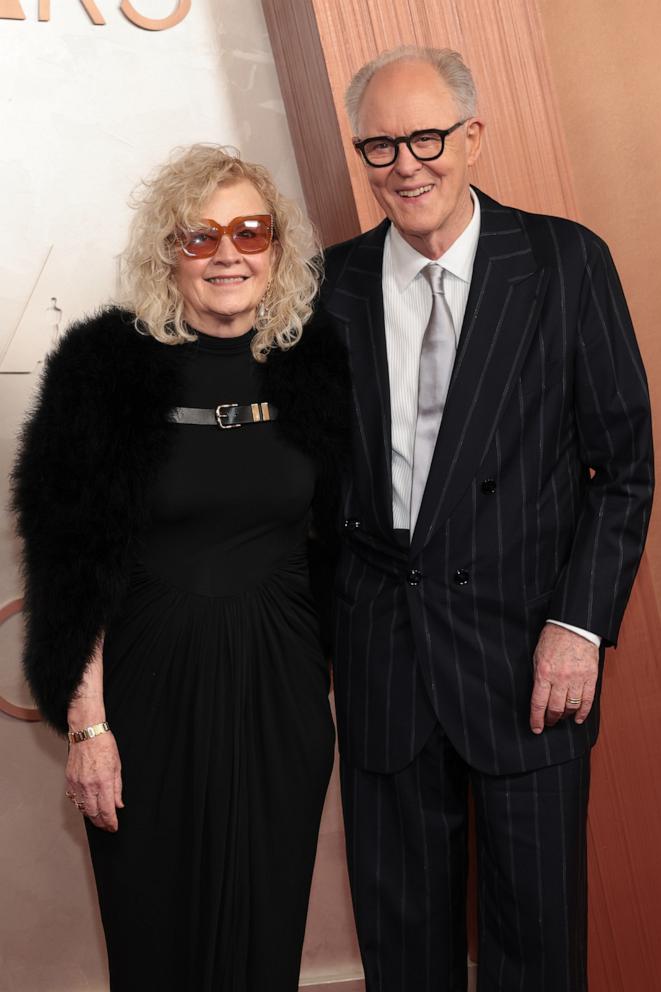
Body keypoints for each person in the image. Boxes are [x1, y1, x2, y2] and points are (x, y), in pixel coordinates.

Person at [320, 45, 653, 991]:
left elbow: (621, 469)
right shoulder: (325, 287)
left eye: (424, 136)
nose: (404, 164)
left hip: (529, 661)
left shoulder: (562, 259)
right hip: (386, 659)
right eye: (378, 146)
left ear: (471, 135)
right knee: (404, 952)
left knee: (537, 947)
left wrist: (578, 626)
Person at [12, 143, 349, 991]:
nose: (228, 253)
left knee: (263, 932)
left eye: (250, 231)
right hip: (146, 692)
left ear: (274, 248)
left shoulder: (316, 362)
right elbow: (67, 560)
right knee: (154, 934)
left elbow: (343, 534)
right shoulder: (102, 369)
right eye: (201, 237)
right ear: (169, 252)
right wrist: (88, 729)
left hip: (281, 691)